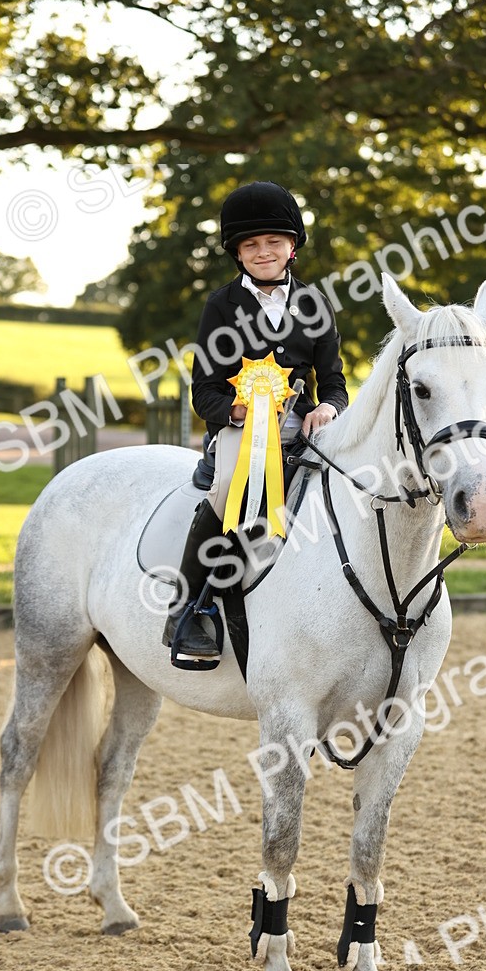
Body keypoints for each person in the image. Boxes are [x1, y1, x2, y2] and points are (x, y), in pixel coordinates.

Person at [164, 180, 348, 662]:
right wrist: (236, 410)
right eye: (251, 245)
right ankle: (188, 608)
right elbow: (203, 390)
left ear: (292, 247)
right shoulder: (220, 306)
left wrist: (329, 407)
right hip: (238, 435)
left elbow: (333, 383)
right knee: (226, 491)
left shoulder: (316, 304)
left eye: (273, 242)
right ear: (237, 253)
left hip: (303, 433)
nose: (263, 252)